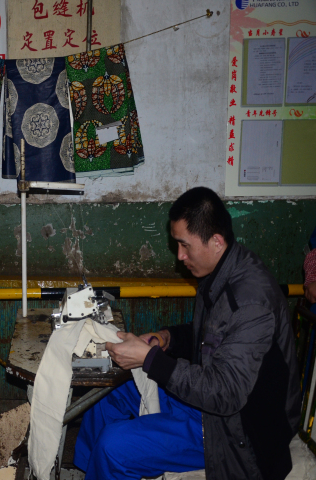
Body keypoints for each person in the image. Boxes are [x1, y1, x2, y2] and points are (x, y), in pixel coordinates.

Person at [75, 186, 301, 480]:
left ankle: (105, 465)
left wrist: (151, 360)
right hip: (211, 404)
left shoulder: (250, 303)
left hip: (240, 430)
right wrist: (167, 338)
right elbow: (212, 338)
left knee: (113, 446)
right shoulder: (223, 269)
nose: (180, 256)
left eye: (184, 245)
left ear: (216, 241)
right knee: (107, 396)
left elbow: (225, 393)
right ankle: (89, 472)